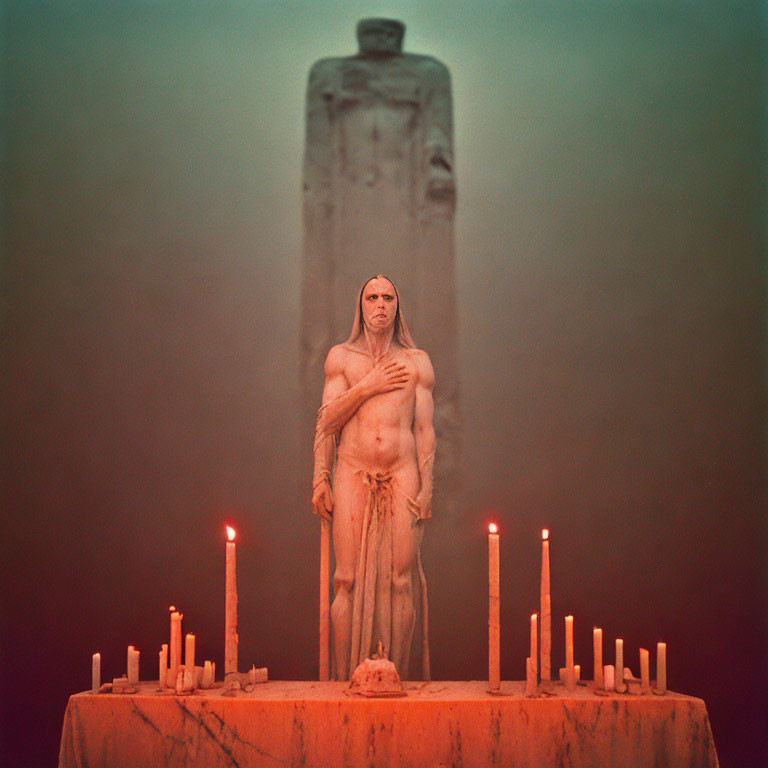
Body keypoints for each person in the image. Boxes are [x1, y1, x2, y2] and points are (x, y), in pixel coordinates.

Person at [312, 275, 435, 680]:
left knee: (402, 581)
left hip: (403, 473)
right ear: (360, 306)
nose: (380, 304)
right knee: (344, 579)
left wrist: (429, 484)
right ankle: (347, 678)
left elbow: (424, 430)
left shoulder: (417, 361)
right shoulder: (341, 359)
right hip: (352, 468)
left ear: (397, 306)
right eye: (372, 297)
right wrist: (321, 478)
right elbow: (327, 421)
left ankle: (395, 673)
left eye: (387, 297)